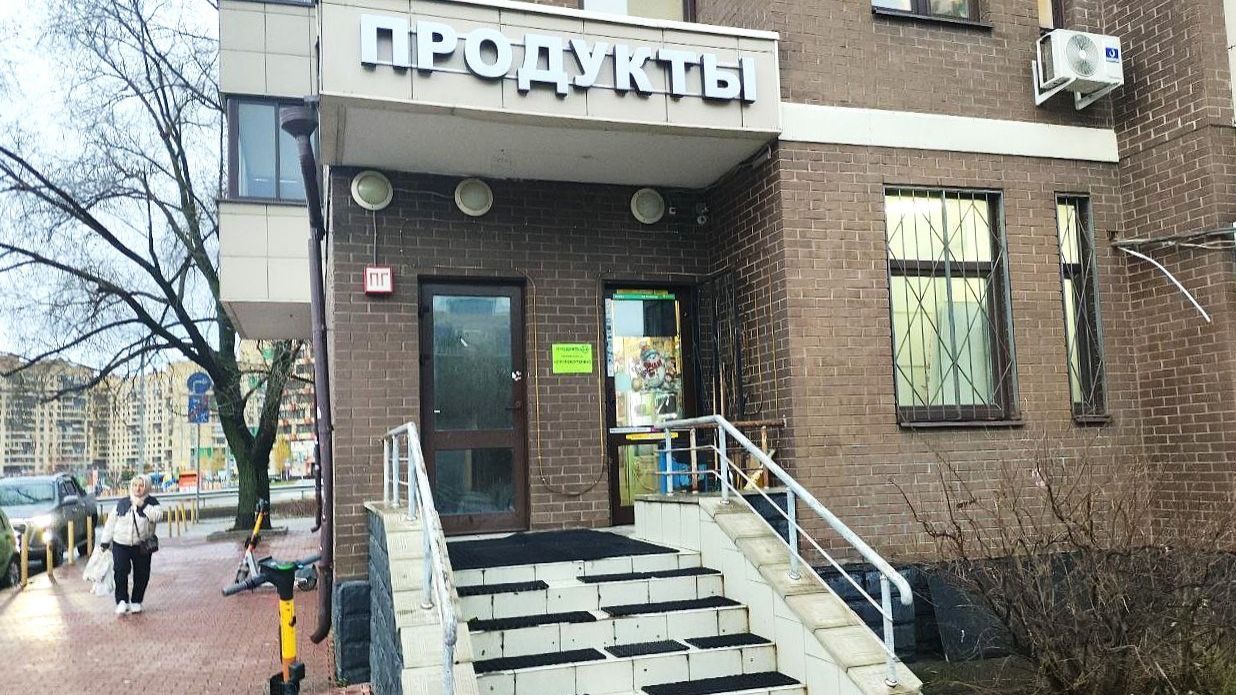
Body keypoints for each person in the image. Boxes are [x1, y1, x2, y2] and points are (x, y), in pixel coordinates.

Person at [99, 475, 164, 615]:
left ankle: (136, 601)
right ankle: (121, 601)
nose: (137, 488)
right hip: (120, 543)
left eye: (141, 485)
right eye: (135, 485)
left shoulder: (152, 503)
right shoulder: (123, 503)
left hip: (142, 545)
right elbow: (111, 523)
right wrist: (105, 541)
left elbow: (158, 516)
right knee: (120, 572)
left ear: (146, 487)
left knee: (142, 574)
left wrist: (143, 505)